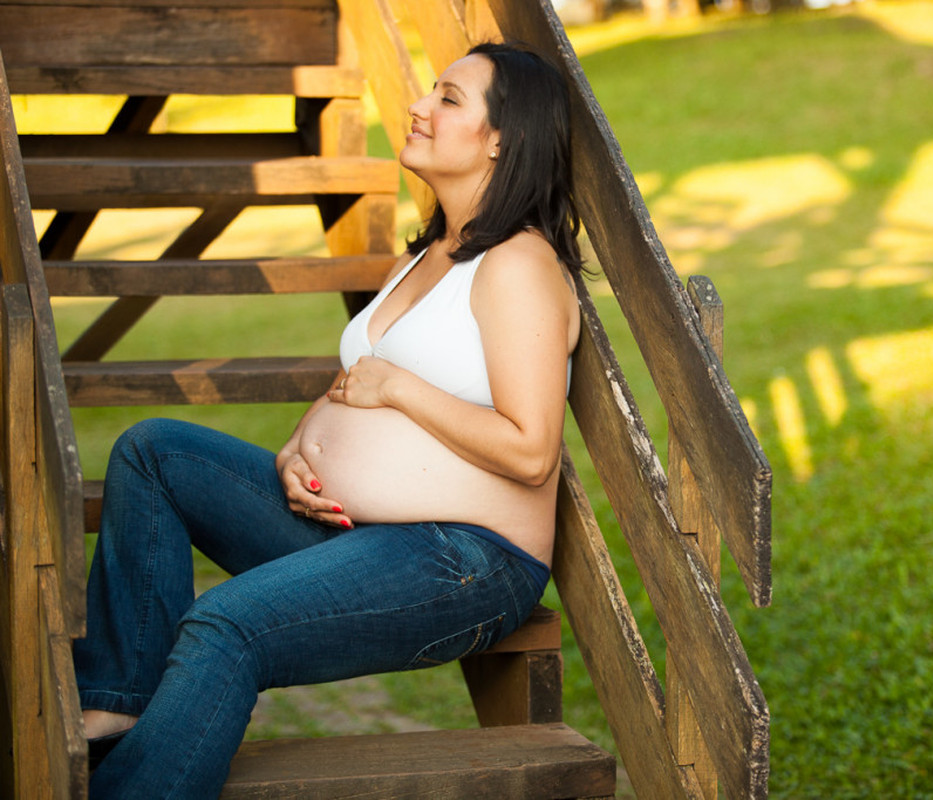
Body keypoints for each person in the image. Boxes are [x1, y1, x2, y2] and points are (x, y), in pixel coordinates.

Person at [75, 41, 583, 798]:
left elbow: (532, 450)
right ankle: (119, 706)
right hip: (352, 527)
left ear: (503, 141)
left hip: (465, 559)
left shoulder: (518, 265)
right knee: (154, 453)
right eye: (430, 91)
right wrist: (295, 451)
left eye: (448, 99)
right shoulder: (429, 256)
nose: (419, 106)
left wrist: (401, 389)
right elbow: (357, 381)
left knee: (227, 623)